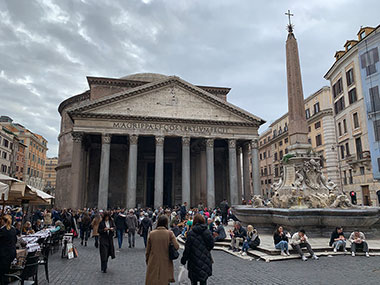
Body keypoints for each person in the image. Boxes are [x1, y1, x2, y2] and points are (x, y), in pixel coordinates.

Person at [145, 215, 179, 285]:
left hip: (153, 260)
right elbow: (177, 246)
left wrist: (148, 261)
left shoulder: (151, 234)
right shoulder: (170, 233)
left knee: (153, 281)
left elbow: (147, 251)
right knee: (164, 281)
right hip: (166, 261)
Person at [181, 214, 214, 285]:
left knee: (194, 282)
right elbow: (211, 245)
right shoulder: (207, 232)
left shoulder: (190, 233)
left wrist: (184, 259)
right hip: (204, 259)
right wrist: (206, 250)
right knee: (203, 281)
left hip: (193, 261)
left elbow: (187, 248)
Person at [0, 215, 17, 285]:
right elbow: (15, 240)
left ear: (3, 221)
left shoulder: (2, 230)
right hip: (11, 253)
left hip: (3, 254)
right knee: (6, 270)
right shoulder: (13, 229)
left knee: (2, 272)